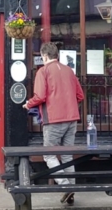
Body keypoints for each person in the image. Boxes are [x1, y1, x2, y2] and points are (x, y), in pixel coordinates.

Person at [23, 42, 84, 206]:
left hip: (54, 120)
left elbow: (40, 96)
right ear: (56, 55)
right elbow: (80, 95)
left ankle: (65, 186)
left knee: (49, 155)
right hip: (72, 119)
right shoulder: (69, 70)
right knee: (66, 155)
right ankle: (72, 188)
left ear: (44, 56)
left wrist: (28, 104)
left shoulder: (43, 71)